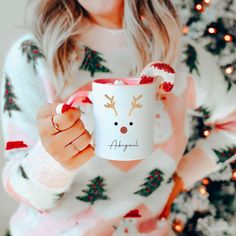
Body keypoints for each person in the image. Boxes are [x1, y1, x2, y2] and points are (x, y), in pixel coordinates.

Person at [1, 0, 236, 235]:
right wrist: (52, 162)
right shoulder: (33, 56)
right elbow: (21, 186)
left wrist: (180, 180)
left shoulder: (181, 57)